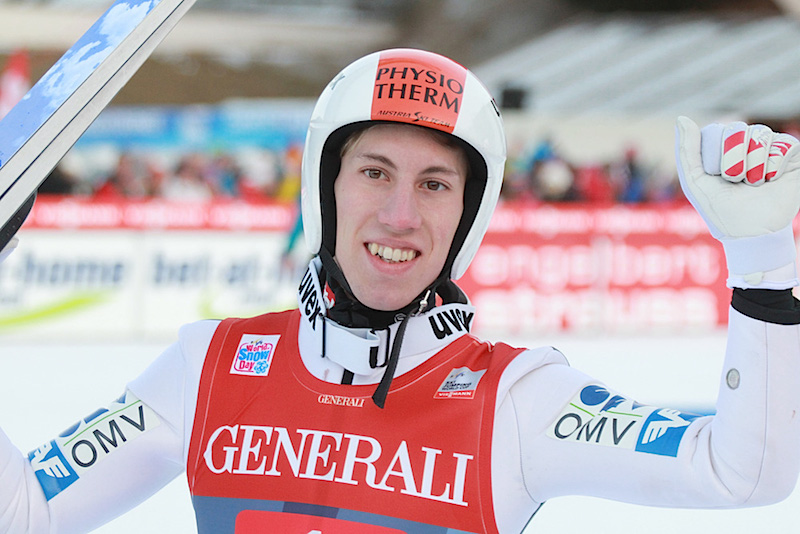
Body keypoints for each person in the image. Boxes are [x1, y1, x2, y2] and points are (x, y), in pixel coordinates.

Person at [2, 48, 800, 534]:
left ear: (467, 217)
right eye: (375, 172)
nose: (399, 214)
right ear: (327, 186)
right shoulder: (210, 367)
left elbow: (742, 473)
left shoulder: (516, 401)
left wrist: (761, 260)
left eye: (434, 184)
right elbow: (26, 511)